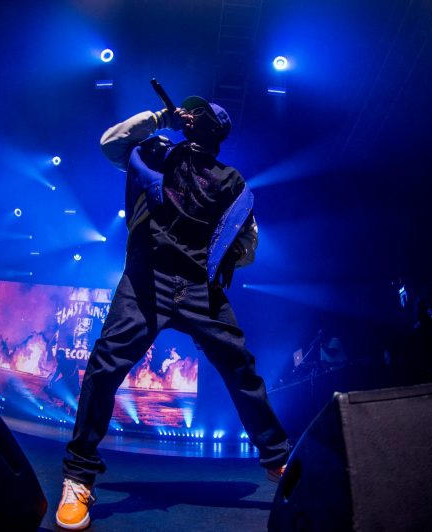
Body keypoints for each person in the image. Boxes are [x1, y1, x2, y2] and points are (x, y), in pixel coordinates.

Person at [55, 96, 290, 530]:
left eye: (199, 113)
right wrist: (161, 117)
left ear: (215, 128)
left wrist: (222, 262)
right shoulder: (159, 152)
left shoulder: (231, 181)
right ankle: (78, 477)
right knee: (104, 368)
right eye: (188, 111)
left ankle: (278, 460)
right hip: (147, 279)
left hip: (199, 286)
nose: (189, 115)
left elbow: (248, 242)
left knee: (241, 369)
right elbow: (111, 143)